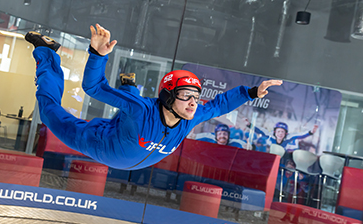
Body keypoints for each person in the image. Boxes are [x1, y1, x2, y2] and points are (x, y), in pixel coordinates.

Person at [27, 24, 282, 170]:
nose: (194, 102)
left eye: (196, 96)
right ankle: (46, 52)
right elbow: (94, 88)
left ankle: (129, 87)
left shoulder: (189, 118)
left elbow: (218, 105)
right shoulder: (142, 110)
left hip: (125, 134)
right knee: (49, 113)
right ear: (168, 97)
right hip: (97, 143)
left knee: (128, 108)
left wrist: (250, 93)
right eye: (186, 95)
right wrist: (98, 55)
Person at [250, 121, 318, 152]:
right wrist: (249, 125)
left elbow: (300, 135)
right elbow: (260, 130)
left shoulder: (288, 137)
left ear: (286, 133)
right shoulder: (270, 135)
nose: (280, 134)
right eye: (278, 131)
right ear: (274, 132)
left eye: (282, 132)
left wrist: (311, 132)